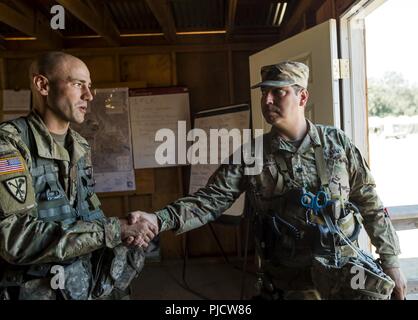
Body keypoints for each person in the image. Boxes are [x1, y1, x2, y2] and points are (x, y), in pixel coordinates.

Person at [128, 61, 407, 300]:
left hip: (346, 278)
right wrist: (157, 219)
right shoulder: (251, 155)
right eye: (264, 93)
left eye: (278, 91)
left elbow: (370, 202)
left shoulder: (337, 143)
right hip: (290, 284)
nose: (268, 100)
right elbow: (207, 202)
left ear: (302, 97)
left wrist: (391, 261)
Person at [0, 51, 157, 300]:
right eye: (77, 84)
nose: (89, 95)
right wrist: (114, 230)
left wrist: (126, 231)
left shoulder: (80, 146)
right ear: (42, 85)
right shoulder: (9, 144)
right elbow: (15, 239)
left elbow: (84, 216)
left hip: (84, 285)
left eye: (90, 86)